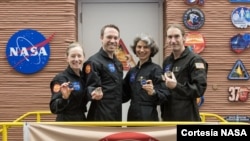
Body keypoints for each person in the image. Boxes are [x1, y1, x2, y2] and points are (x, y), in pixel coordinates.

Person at [161, 23, 208, 121]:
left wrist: (176, 86)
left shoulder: (195, 60)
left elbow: (199, 89)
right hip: (168, 118)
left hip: (187, 118)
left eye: (176, 36)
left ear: (184, 38)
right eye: (170, 37)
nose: (173, 40)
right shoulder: (167, 61)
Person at [123, 33, 169, 121]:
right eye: (139, 47)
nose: (142, 50)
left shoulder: (156, 69)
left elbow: (165, 95)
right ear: (135, 48)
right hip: (132, 115)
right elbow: (124, 94)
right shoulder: (132, 71)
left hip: (148, 115)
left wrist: (153, 92)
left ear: (151, 50)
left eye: (146, 47)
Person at [82, 24, 124, 121]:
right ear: (101, 38)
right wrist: (93, 92)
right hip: (100, 116)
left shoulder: (118, 63)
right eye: (109, 37)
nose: (112, 41)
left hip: (116, 115)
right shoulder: (93, 62)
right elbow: (89, 87)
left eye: (115, 38)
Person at [49, 42, 88, 121]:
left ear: (84, 57)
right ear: (67, 58)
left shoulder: (85, 77)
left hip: (82, 121)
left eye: (79, 56)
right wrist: (64, 98)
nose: (76, 59)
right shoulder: (60, 78)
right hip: (65, 123)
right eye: (73, 56)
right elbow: (53, 108)